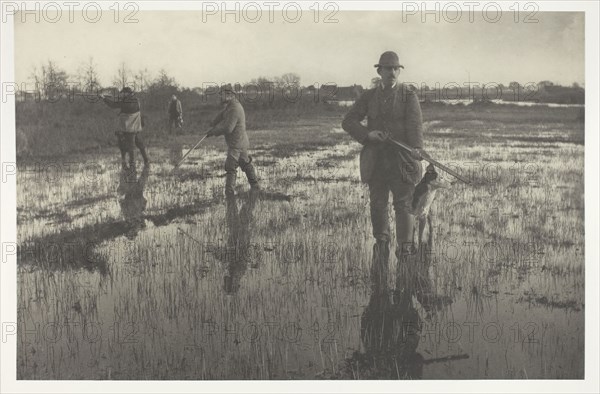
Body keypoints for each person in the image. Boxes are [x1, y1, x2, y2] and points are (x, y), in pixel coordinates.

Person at [341, 51, 428, 294]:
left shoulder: (408, 95)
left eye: (395, 69)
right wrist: (367, 135)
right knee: (377, 204)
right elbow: (348, 121)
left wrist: (417, 149)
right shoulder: (368, 97)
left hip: (402, 160)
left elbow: (415, 125)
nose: (391, 73)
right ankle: (381, 240)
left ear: (399, 71)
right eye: (386, 69)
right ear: (378, 71)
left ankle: (405, 247)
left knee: (404, 205)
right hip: (376, 160)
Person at [206, 84, 260, 196]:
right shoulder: (230, 106)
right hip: (240, 142)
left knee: (230, 167)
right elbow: (221, 115)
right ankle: (255, 186)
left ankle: (229, 194)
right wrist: (212, 123)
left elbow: (228, 128)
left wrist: (213, 132)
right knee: (245, 164)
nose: (220, 97)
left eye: (222, 95)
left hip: (237, 143)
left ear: (229, 95)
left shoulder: (235, 108)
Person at [100, 87, 150, 168]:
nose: (121, 94)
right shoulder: (136, 100)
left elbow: (113, 105)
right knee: (140, 144)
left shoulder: (126, 102)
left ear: (126, 93)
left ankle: (132, 164)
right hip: (137, 127)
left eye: (122, 93)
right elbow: (120, 103)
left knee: (131, 146)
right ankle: (146, 160)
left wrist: (104, 98)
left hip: (129, 128)